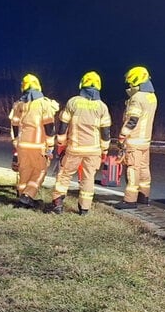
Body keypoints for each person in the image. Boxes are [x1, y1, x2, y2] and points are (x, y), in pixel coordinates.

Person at [49, 71, 112, 215]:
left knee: (64, 175)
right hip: (94, 151)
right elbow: (106, 131)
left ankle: (58, 204)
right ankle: (84, 209)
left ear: (82, 84)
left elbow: (63, 125)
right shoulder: (102, 107)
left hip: (74, 149)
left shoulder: (73, 102)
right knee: (88, 178)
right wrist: (105, 150)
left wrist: (60, 144)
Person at [8, 73, 59, 209]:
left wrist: (16, 142)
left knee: (24, 170)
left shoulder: (18, 104)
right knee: (40, 171)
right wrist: (50, 145)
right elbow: (49, 127)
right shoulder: (44, 104)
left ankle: (22, 195)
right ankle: (28, 195)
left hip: (22, 146)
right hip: (38, 146)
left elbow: (14, 125)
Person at [114, 65, 158, 209]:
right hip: (145, 141)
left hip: (134, 141)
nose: (129, 85)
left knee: (132, 169)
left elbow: (133, 120)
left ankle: (130, 200)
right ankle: (143, 196)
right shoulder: (152, 97)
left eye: (130, 82)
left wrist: (122, 135)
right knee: (144, 168)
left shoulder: (137, 98)